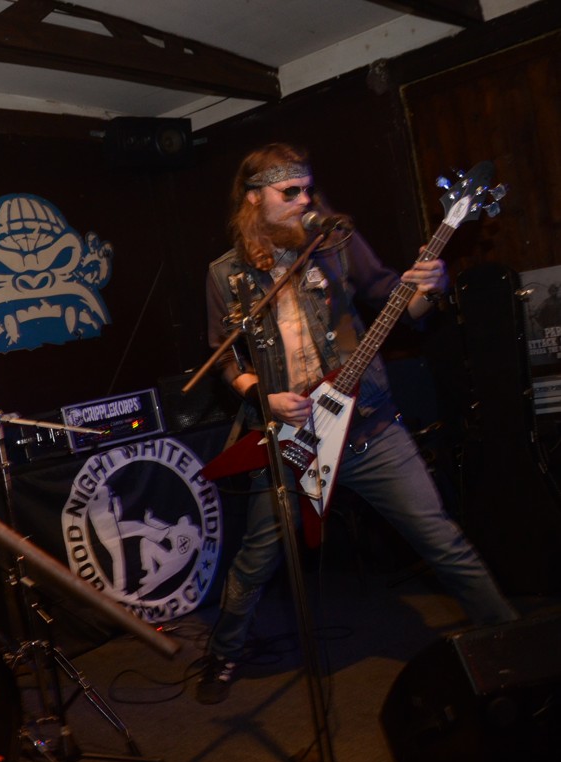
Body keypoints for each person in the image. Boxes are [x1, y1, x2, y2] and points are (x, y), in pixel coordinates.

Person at [197, 143, 517, 704]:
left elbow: (399, 305)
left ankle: (511, 638)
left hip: (368, 425)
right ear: (254, 199)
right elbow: (224, 358)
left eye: (308, 189)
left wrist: (429, 290)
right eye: (289, 192)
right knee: (257, 556)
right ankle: (223, 651)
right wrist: (262, 396)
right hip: (292, 437)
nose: (305, 200)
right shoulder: (227, 275)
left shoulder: (337, 244)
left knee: (441, 538)